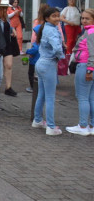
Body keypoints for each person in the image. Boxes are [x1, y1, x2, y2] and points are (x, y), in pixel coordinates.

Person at [32, 7, 64, 135]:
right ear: (47, 18)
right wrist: (61, 56)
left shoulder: (46, 28)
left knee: (42, 94)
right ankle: (51, 126)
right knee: (50, 97)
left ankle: (37, 120)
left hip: (41, 63)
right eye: (54, 16)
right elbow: (57, 47)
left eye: (58, 16)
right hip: (49, 64)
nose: (57, 18)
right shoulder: (51, 30)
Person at [66, 8, 94, 136]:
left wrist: (89, 70)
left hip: (85, 66)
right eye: (82, 18)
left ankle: (83, 126)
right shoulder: (88, 31)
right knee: (91, 98)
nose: (83, 21)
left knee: (83, 97)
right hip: (88, 66)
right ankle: (92, 125)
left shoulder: (90, 33)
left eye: (87, 18)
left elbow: (92, 53)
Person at [0, 0, 20, 98]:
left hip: (8, 43)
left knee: (9, 65)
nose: (5, 10)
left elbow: (8, 25)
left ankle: (8, 87)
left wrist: (13, 30)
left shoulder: (6, 17)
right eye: (3, 8)